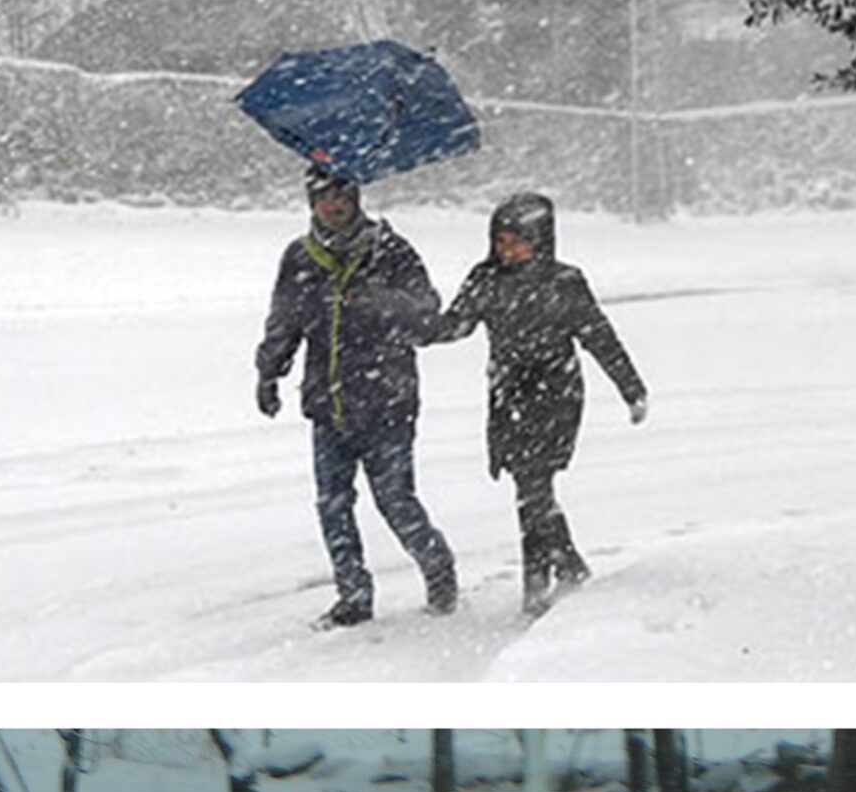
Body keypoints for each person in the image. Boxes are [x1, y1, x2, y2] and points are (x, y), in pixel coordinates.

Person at [256, 164, 460, 627]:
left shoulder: (391, 251)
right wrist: (269, 371)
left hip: (388, 402)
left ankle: (438, 570)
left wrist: (379, 299)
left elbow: (428, 321)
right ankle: (353, 596)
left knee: (395, 501)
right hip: (329, 404)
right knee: (333, 504)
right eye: (322, 197)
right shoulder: (300, 257)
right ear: (311, 203)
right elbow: (284, 321)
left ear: (357, 199)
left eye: (340, 195)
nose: (332, 205)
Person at [432, 191, 647, 616]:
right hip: (508, 394)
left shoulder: (564, 282)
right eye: (501, 241)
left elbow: (598, 337)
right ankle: (569, 565)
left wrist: (631, 387)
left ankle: (536, 588)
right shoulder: (485, 278)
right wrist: (409, 323)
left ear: (542, 240)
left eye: (519, 241)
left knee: (533, 486)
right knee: (531, 489)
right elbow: (456, 325)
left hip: (556, 394)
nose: (508, 251)